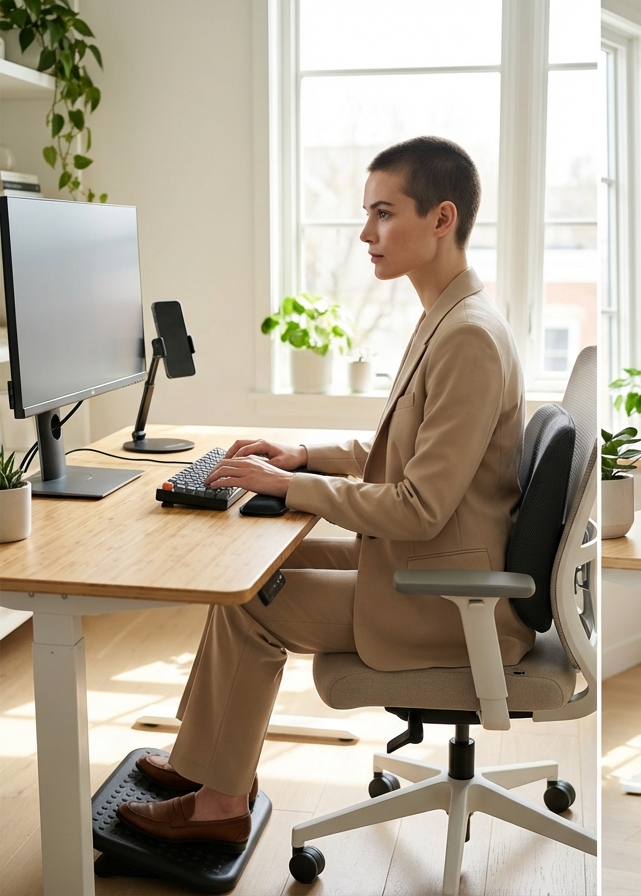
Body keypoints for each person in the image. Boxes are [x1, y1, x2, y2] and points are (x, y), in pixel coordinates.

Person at [116, 137, 533, 849]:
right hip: (426, 562)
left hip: (449, 597)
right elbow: (409, 452)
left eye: (382, 213)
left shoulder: (467, 337)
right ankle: (206, 768)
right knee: (252, 580)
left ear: (441, 218)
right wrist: (306, 455)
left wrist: (293, 486)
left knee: (253, 611)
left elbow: (420, 503)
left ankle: (219, 804)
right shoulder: (449, 314)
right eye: (364, 214)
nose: (366, 234)